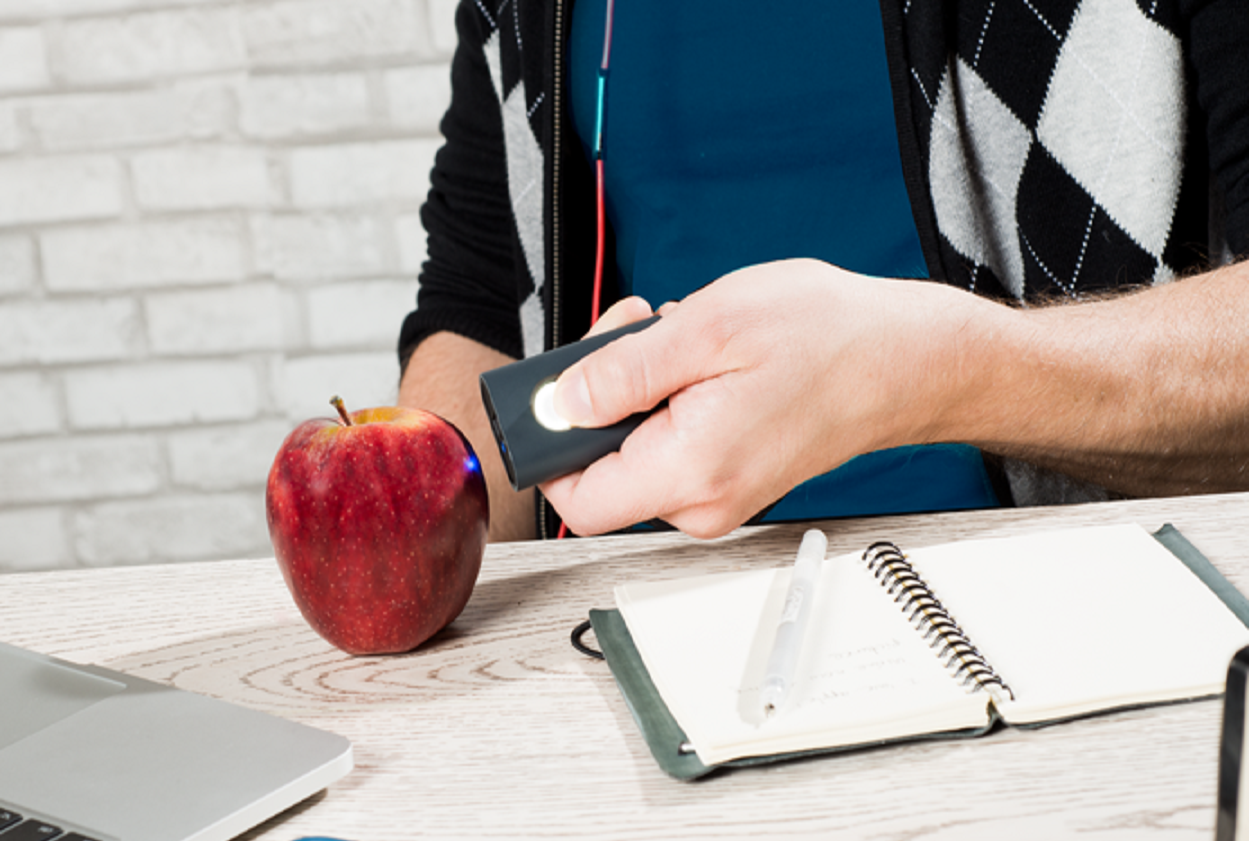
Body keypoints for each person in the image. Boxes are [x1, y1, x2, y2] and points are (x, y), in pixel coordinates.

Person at [398, 0, 1249, 542]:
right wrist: (398, 525)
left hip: (1056, 618)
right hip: (625, 635)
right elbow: (478, 305)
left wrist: (934, 375)